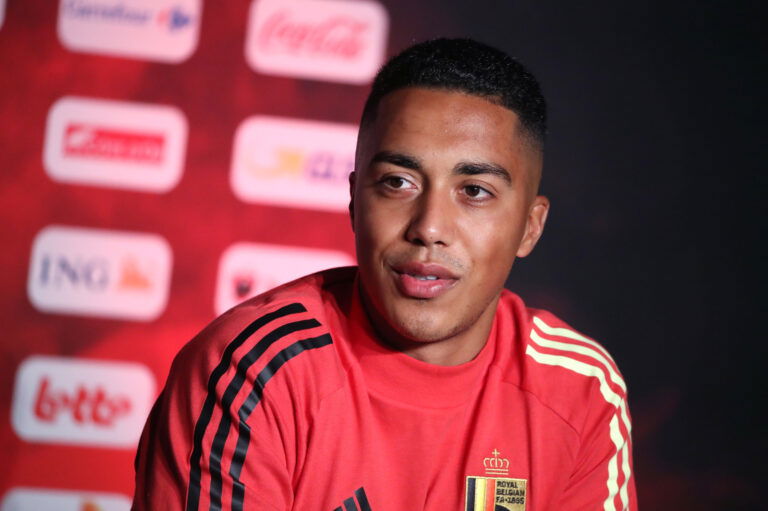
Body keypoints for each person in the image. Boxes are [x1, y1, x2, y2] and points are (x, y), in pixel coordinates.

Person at [132, 38, 636, 511]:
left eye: (475, 191)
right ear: (355, 202)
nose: (430, 228)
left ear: (530, 227)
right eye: (398, 182)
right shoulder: (252, 371)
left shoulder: (581, 392)